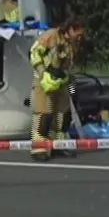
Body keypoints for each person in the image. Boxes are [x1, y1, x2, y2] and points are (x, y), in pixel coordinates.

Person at [28, 16, 85, 161]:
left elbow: (70, 67)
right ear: (70, 29)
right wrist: (43, 74)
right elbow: (34, 52)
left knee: (63, 116)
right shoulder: (51, 35)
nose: (80, 37)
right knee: (44, 116)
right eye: (78, 33)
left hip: (62, 82)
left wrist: (72, 89)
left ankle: (57, 146)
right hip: (44, 83)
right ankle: (39, 149)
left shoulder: (73, 44)